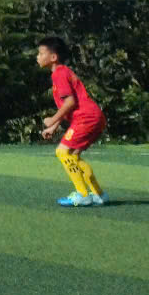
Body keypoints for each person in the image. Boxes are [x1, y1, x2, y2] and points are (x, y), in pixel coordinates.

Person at [36, 36, 107, 207]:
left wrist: (52, 119)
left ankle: (82, 194)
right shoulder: (63, 72)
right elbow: (67, 107)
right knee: (73, 156)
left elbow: (70, 103)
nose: (37, 57)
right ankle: (98, 194)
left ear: (53, 57)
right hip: (93, 117)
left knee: (62, 152)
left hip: (86, 118)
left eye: (41, 53)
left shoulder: (59, 74)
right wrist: (54, 127)